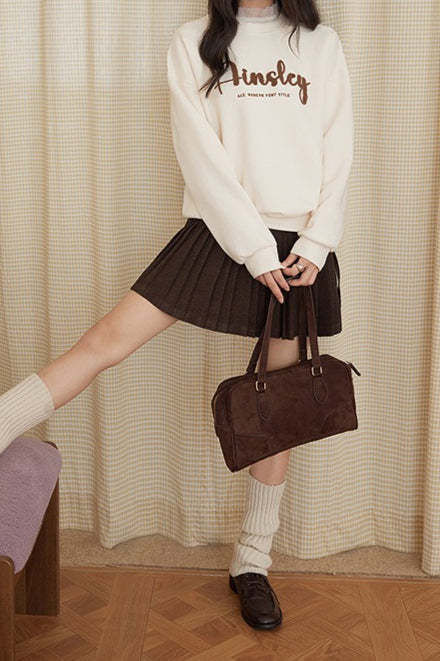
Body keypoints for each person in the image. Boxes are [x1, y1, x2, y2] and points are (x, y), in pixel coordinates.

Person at [0, 0, 353, 631]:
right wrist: (251, 247)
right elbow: (200, 155)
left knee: (280, 405)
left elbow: (339, 147)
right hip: (220, 233)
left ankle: (252, 562)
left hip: (300, 249)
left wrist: (318, 241)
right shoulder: (193, 42)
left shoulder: (320, 45)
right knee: (105, 340)